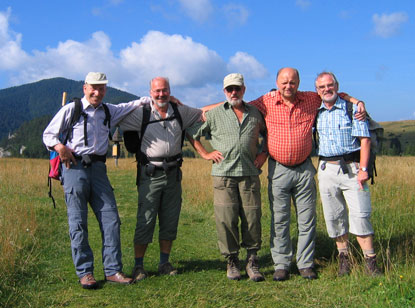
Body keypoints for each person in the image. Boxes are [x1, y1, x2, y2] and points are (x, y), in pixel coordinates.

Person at [248, 67, 366, 281]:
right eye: (284, 82)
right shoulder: (266, 101)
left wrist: (358, 102)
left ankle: (305, 264)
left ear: (299, 82)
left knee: (307, 219)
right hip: (279, 169)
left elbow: (335, 94)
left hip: (304, 169)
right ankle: (281, 264)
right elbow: (240, 105)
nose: (288, 86)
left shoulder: (312, 99)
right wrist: (204, 110)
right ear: (276, 82)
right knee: (279, 219)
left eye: (292, 82)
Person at [43, 72, 151, 289]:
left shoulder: (109, 110)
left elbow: (136, 103)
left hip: (99, 170)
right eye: (93, 87)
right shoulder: (72, 109)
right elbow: (48, 134)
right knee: (78, 223)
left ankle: (112, 271)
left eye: (101, 88)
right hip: (74, 169)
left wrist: (163, 98)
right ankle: (85, 272)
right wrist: (60, 147)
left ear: (105, 90)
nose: (97, 92)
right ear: (85, 88)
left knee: (111, 219)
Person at [119, 77, 202, 282]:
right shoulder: (141, 114)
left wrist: (235, 102)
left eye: (164, 90)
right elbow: (113, 116)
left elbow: (203, 113)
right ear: (150, 93)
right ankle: (139, 266)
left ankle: (164, 262)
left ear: (170, 91)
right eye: (157, 91)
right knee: (145, 220)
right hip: (150, 175)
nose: (161, 94)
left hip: (174, 174)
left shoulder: (180, 112)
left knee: (169, 219)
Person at [188, 73, 268, 282]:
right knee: (226, 220)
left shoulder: (256, 113)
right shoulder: (214, 114)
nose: (234, 92)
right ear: (224, 91)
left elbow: (271, 133)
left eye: (237, 88)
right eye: (230, 89)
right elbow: (191, 133)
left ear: (244, 89)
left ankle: (252, 260)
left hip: (250, 174)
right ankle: (232, 261)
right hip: (223, 175)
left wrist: (263, 153)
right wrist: (205, 154)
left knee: (252, 219)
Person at [314, 72, 381, 276]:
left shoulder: (352, 109)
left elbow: (365, 140)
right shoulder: (315, 111)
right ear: (317, 90)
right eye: (322, 87)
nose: (327, 89)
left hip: (352, 169)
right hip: (326, 170)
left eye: (330, 85)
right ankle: (345, 259)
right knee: (334, 217)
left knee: (361, 214)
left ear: (337, 85)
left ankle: (371, 262)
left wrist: (363, 170)